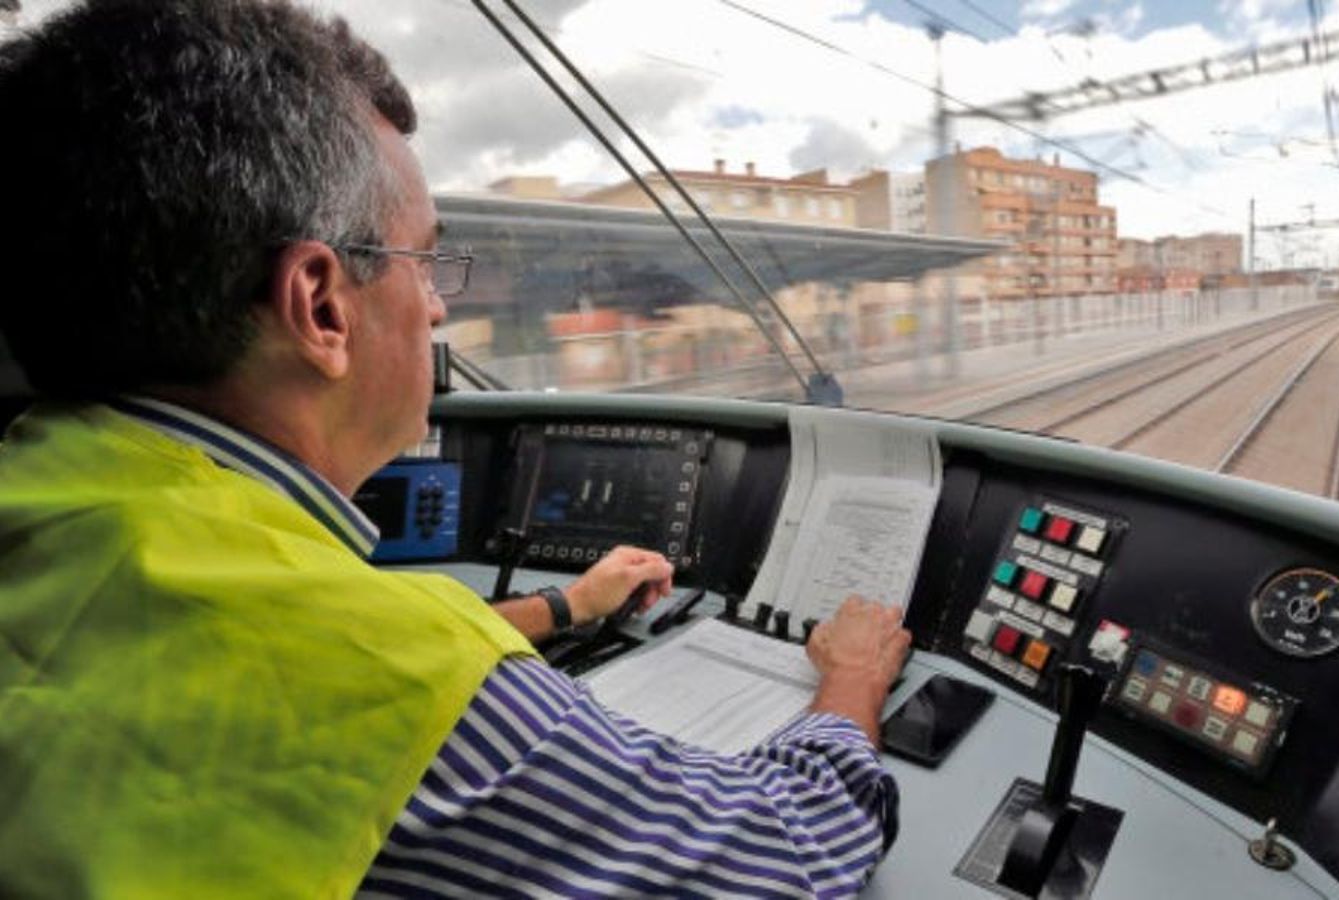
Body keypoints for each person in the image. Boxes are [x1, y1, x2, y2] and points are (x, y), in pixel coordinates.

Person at [0, 1, 910, 897]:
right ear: (322, 306)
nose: (439, 308)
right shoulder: (386, 669)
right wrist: (853, 682)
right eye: (424, 264)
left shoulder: (48, 495)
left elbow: (260, 657)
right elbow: (792, 850)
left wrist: (566, 606)